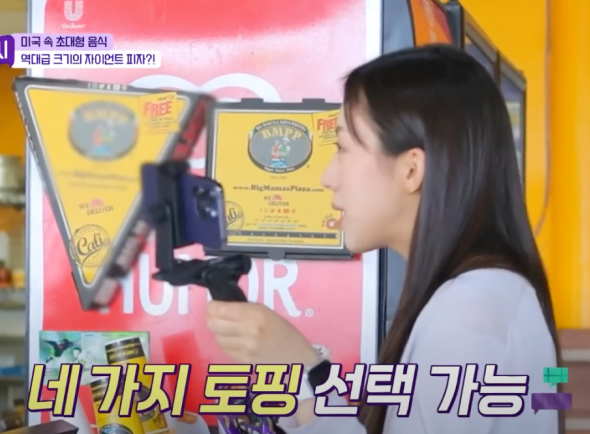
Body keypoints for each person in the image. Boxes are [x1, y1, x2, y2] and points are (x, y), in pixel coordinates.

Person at [206, 44, 562, 434]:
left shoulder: (470, 307)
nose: (328, 177)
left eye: (342, 148)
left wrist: (303, 373)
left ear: (411, 170)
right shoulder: (477, 294)